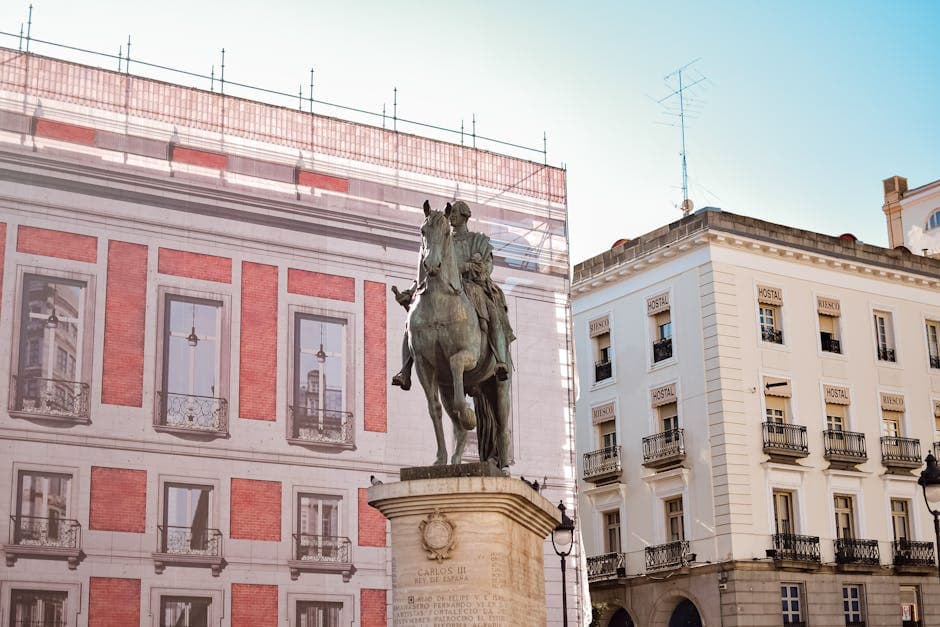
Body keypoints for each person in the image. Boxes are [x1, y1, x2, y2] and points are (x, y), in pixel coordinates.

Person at [392, 200, 514, 390]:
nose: (453, 216)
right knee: (413, 319)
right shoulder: (442, 237)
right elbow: (429, 265)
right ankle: (406, 369)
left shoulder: (477, 240)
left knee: (493, 311)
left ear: (465, 216)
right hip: (443, 287)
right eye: (452, 213)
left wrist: (470, 267)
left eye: (456, 212)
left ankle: (499, 359)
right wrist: (411, 290)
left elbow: (487, 267)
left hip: (473, 286)